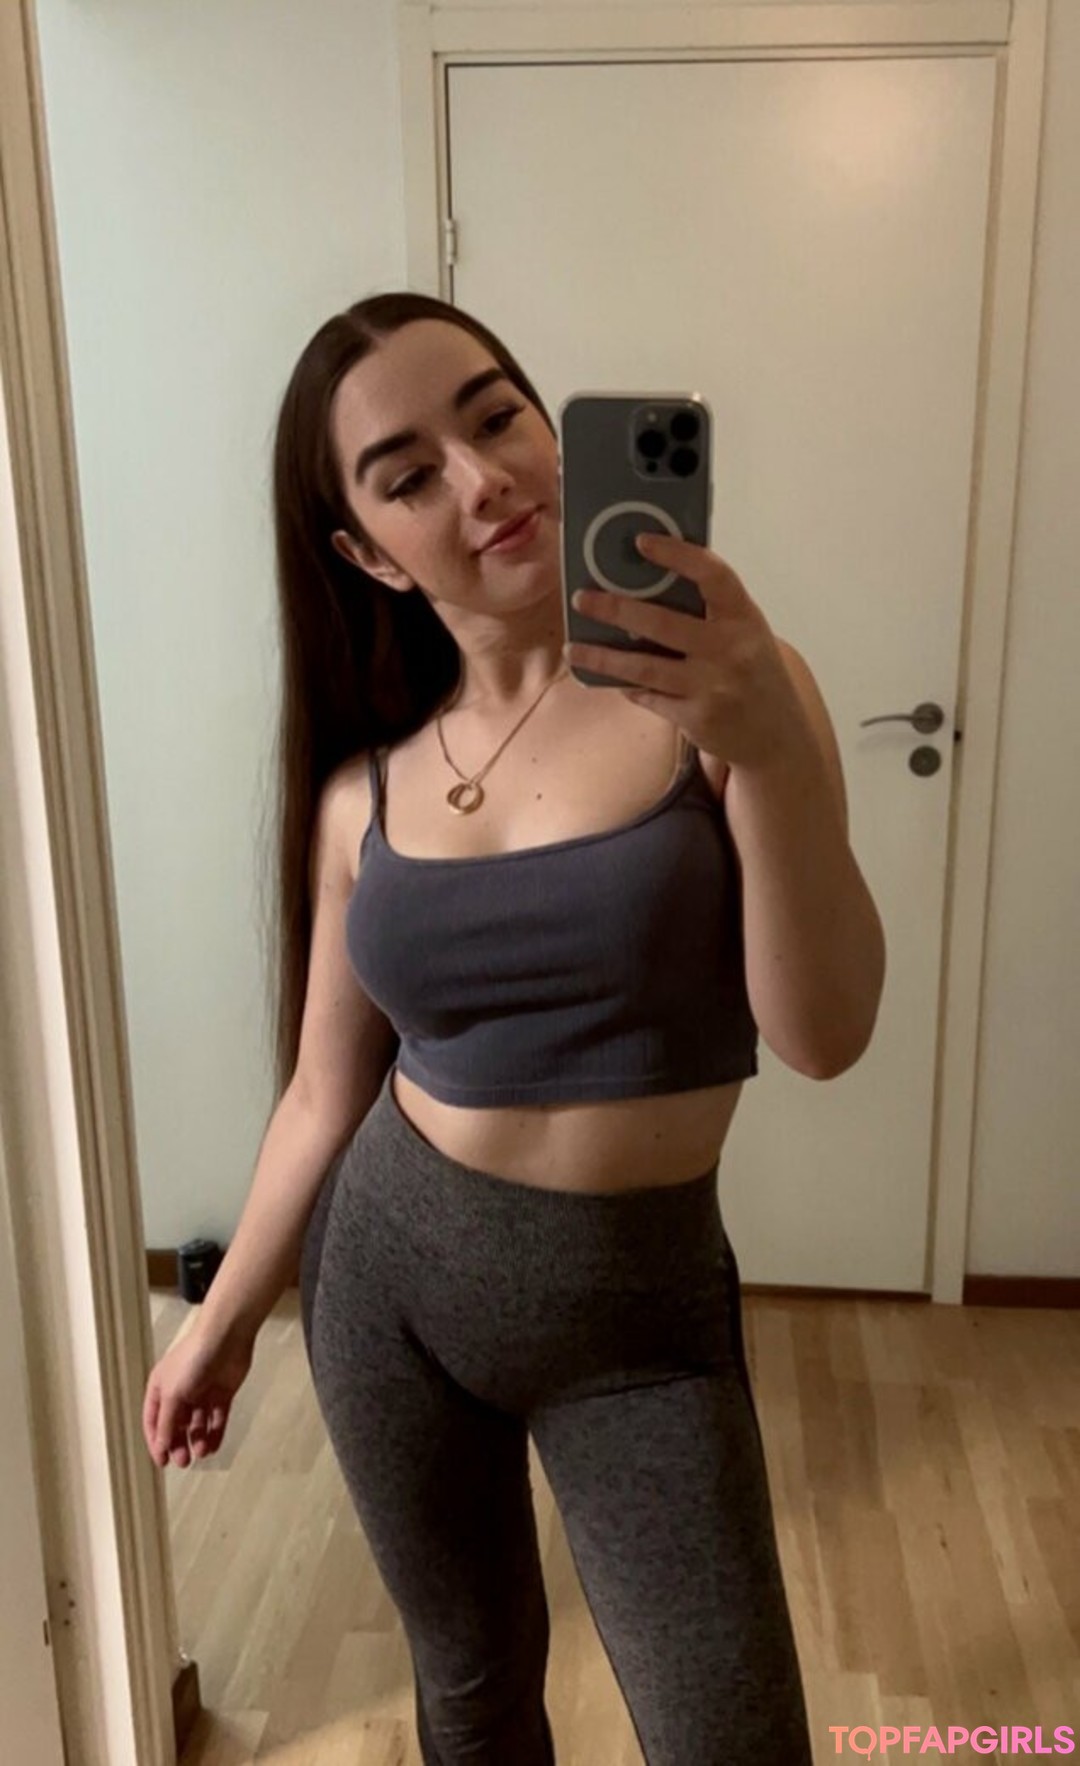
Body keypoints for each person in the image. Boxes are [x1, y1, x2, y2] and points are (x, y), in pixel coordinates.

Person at [143, 289, 886, 1765]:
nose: (482, 480)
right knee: (473, 1693)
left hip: (642, 1327)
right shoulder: (362, 794)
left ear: (555, 429)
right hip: (387, 1293)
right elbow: (323, 1095)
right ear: (368, 552)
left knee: (733, 1736)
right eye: (409, 474)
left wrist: (771, 750)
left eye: (495, 417)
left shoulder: (731, 700)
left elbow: (824, 1032)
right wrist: (221, 1327)